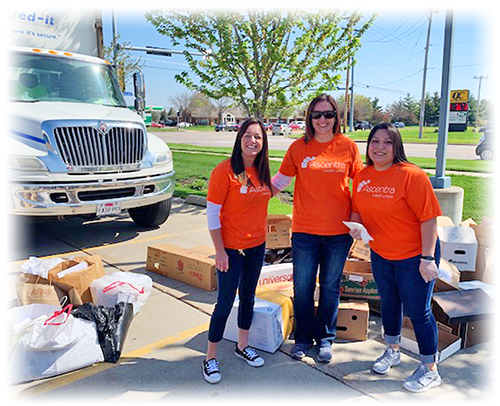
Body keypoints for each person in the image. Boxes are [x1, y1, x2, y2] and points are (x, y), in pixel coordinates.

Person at [349, 122, 443, 393]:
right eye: (375, 141)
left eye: (387, 142)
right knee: (389, 302)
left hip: (415, 256)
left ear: (396, 146)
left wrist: (427, 258)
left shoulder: (411, 176)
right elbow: (357, 211)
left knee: (418, 311)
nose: (380, 147)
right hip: (381, 253)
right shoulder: (362, 176)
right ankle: (393, 350)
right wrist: (355, 226)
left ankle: (430, 369)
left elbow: (429, 219)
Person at [271, 94, 364, 363]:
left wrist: (357, 218)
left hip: (339, 233)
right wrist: (250, 196)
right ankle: (302, 338)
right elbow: (279, 181)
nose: (322, 120)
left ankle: (325, 339)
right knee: (302, 286)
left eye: (328, 114)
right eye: (316, 114)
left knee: (330, 286)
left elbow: (358, 186)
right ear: (309, 118)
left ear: (337, 117)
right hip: (305, 232)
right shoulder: (298, 147)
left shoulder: (347, 147)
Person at [203, 118, 272, 384]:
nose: (252, 141)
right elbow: (212, 215)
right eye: (248, 136)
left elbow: (274, 188)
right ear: (239, 138)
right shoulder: (225, 171)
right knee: (223, 303)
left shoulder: (263, 171)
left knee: (248, 298)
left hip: (257, 246)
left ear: (263, 142)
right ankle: (210, 357)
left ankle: (243, 346)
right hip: (231, 250)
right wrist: (219, 251)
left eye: (258, 137)